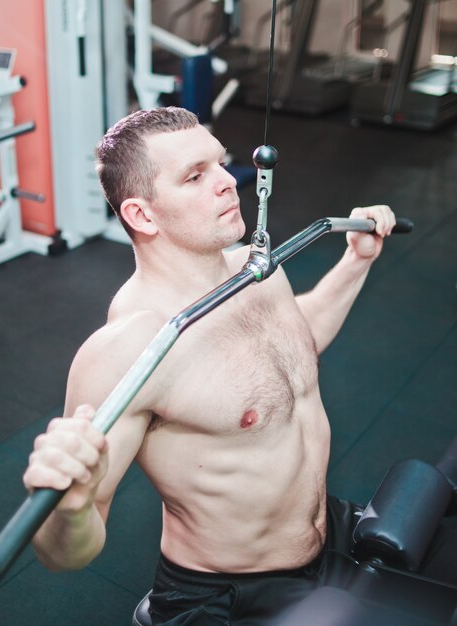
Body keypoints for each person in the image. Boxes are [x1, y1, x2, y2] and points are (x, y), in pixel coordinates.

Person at [23, 107, 397, 624]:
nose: (227, 183)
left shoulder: (253, 266)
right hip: (225, 596)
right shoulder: (132, 348)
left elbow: (295, 343)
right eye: (195, 176)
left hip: (326, 539)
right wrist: (69, 507)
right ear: (142, 215)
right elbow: (60, 553)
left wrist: (356, 261)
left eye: (220, 164)